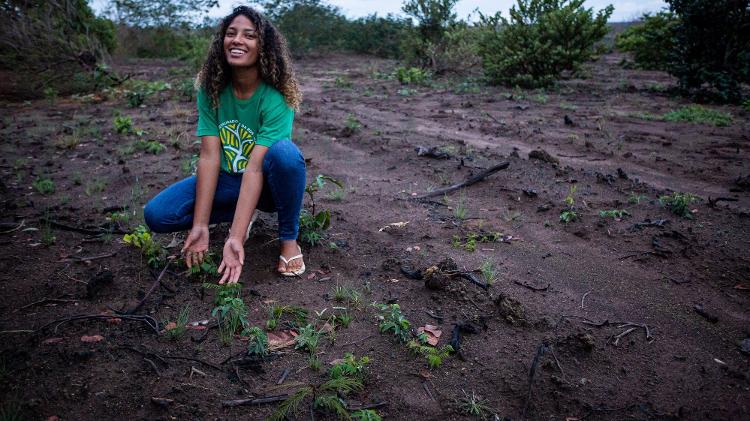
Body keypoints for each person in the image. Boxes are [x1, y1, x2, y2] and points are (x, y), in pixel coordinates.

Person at [143, 6, 306, 285]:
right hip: (230, 179)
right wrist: (200, 225)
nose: (237, 40)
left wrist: (235, 237)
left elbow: (255, 169)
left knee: (286, 155)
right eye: (230, 33)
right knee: (157, 215)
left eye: (249, 35)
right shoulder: (211, 89)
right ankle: (243, 212)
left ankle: (289, 240)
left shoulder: (276, 97)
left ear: (263, 47)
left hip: (267, 183)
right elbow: (208, 157)